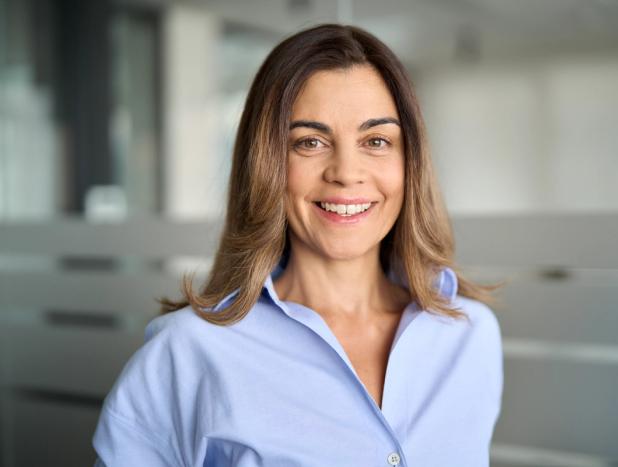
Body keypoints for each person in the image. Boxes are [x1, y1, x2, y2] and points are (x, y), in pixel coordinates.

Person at [92, 23, 504, 467]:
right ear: (266, 164)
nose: (347, 172)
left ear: (411, 164)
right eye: (310, 142)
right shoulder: (188, 353)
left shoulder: (469, 335)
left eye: (376, 141)